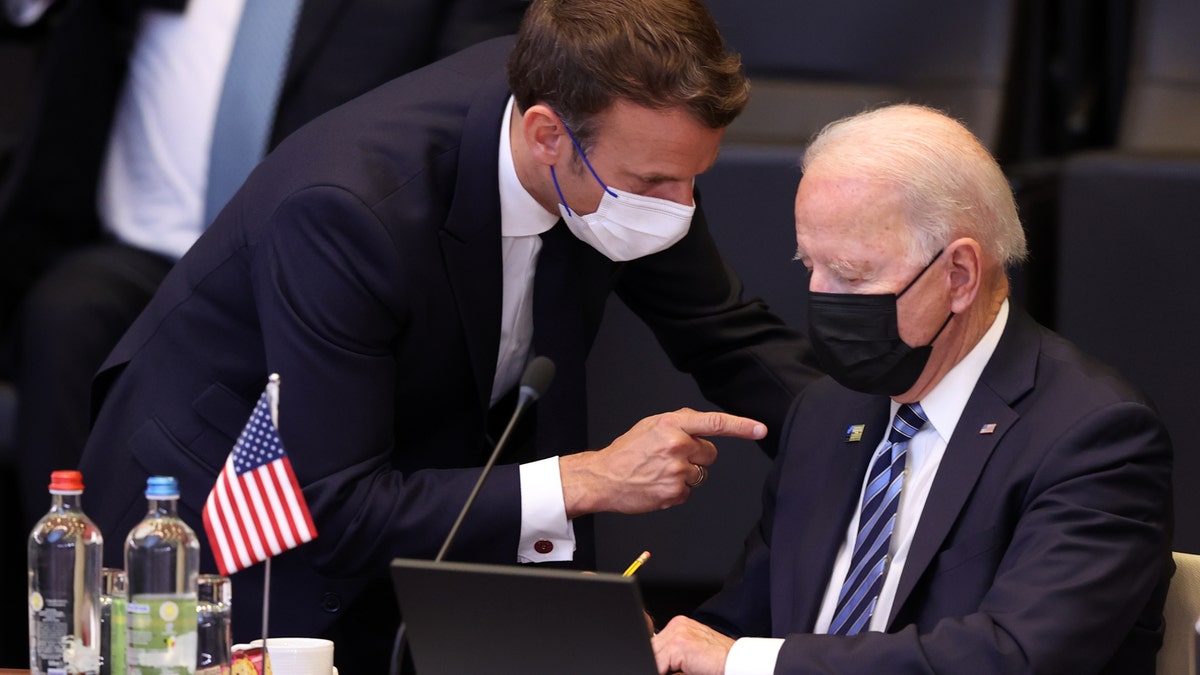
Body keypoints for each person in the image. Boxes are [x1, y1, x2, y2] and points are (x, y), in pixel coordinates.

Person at [75, 0, 821, 672]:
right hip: (225, 510)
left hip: (420, 466)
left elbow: (728, 333)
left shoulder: (623, 145)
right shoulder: (350, 210)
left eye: (695, 177)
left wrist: (870, 439)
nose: (679, 209)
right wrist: (586, 477)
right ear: (546, 135)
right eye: (655, 182)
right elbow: (335, 505)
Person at [651, 104, 1173, 674]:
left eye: (850, 275)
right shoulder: (826, 412)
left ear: (960, 276)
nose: (821, 299)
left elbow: (1016, 657)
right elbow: (741, 625)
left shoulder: (1094, 437)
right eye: (810, 267)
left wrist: (750, 663)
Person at [0, 0, 531, 537]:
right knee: (65, 315)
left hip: (325, 259)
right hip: (142, 245)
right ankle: (69, 591)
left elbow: (475, 105)